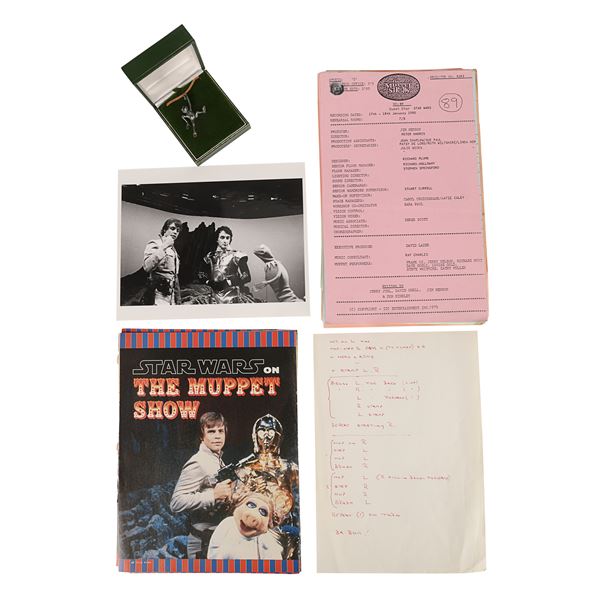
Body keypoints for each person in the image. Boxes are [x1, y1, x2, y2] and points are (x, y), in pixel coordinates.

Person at [170, 412, 233, 558]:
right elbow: (176, 503)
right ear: (201, 436)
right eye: (211, 431)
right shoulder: (198, 462)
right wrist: (213, 495)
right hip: (202, 543)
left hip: (217, 539)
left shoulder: (217, 459)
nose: (217, 436)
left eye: (221, 431)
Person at [207, 493, 283, 559]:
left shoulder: (266, 539)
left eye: (263, 512)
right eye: (251, 505)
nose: (253, 515)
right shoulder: (228, 523)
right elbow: (214, 547)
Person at [200, 226, 254, 303]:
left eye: (227, 238)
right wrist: (209, 282)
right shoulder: (210, 256)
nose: (225, 241)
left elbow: (246, 276)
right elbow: (201, 273)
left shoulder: (237, 255)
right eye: (222, 237)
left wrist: (228, 283)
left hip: (232, 294)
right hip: (212, 293)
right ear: (217, 239)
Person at [143, 218, 182, 305]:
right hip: (158, 294)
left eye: (178, 230)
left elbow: (175, 276)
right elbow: (147, 266)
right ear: (165, 230)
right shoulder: (155, 243)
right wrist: (164, 246)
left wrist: (178, 298)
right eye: (172, 228)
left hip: (171, 295)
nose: (175, 232)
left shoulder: (173, 250)